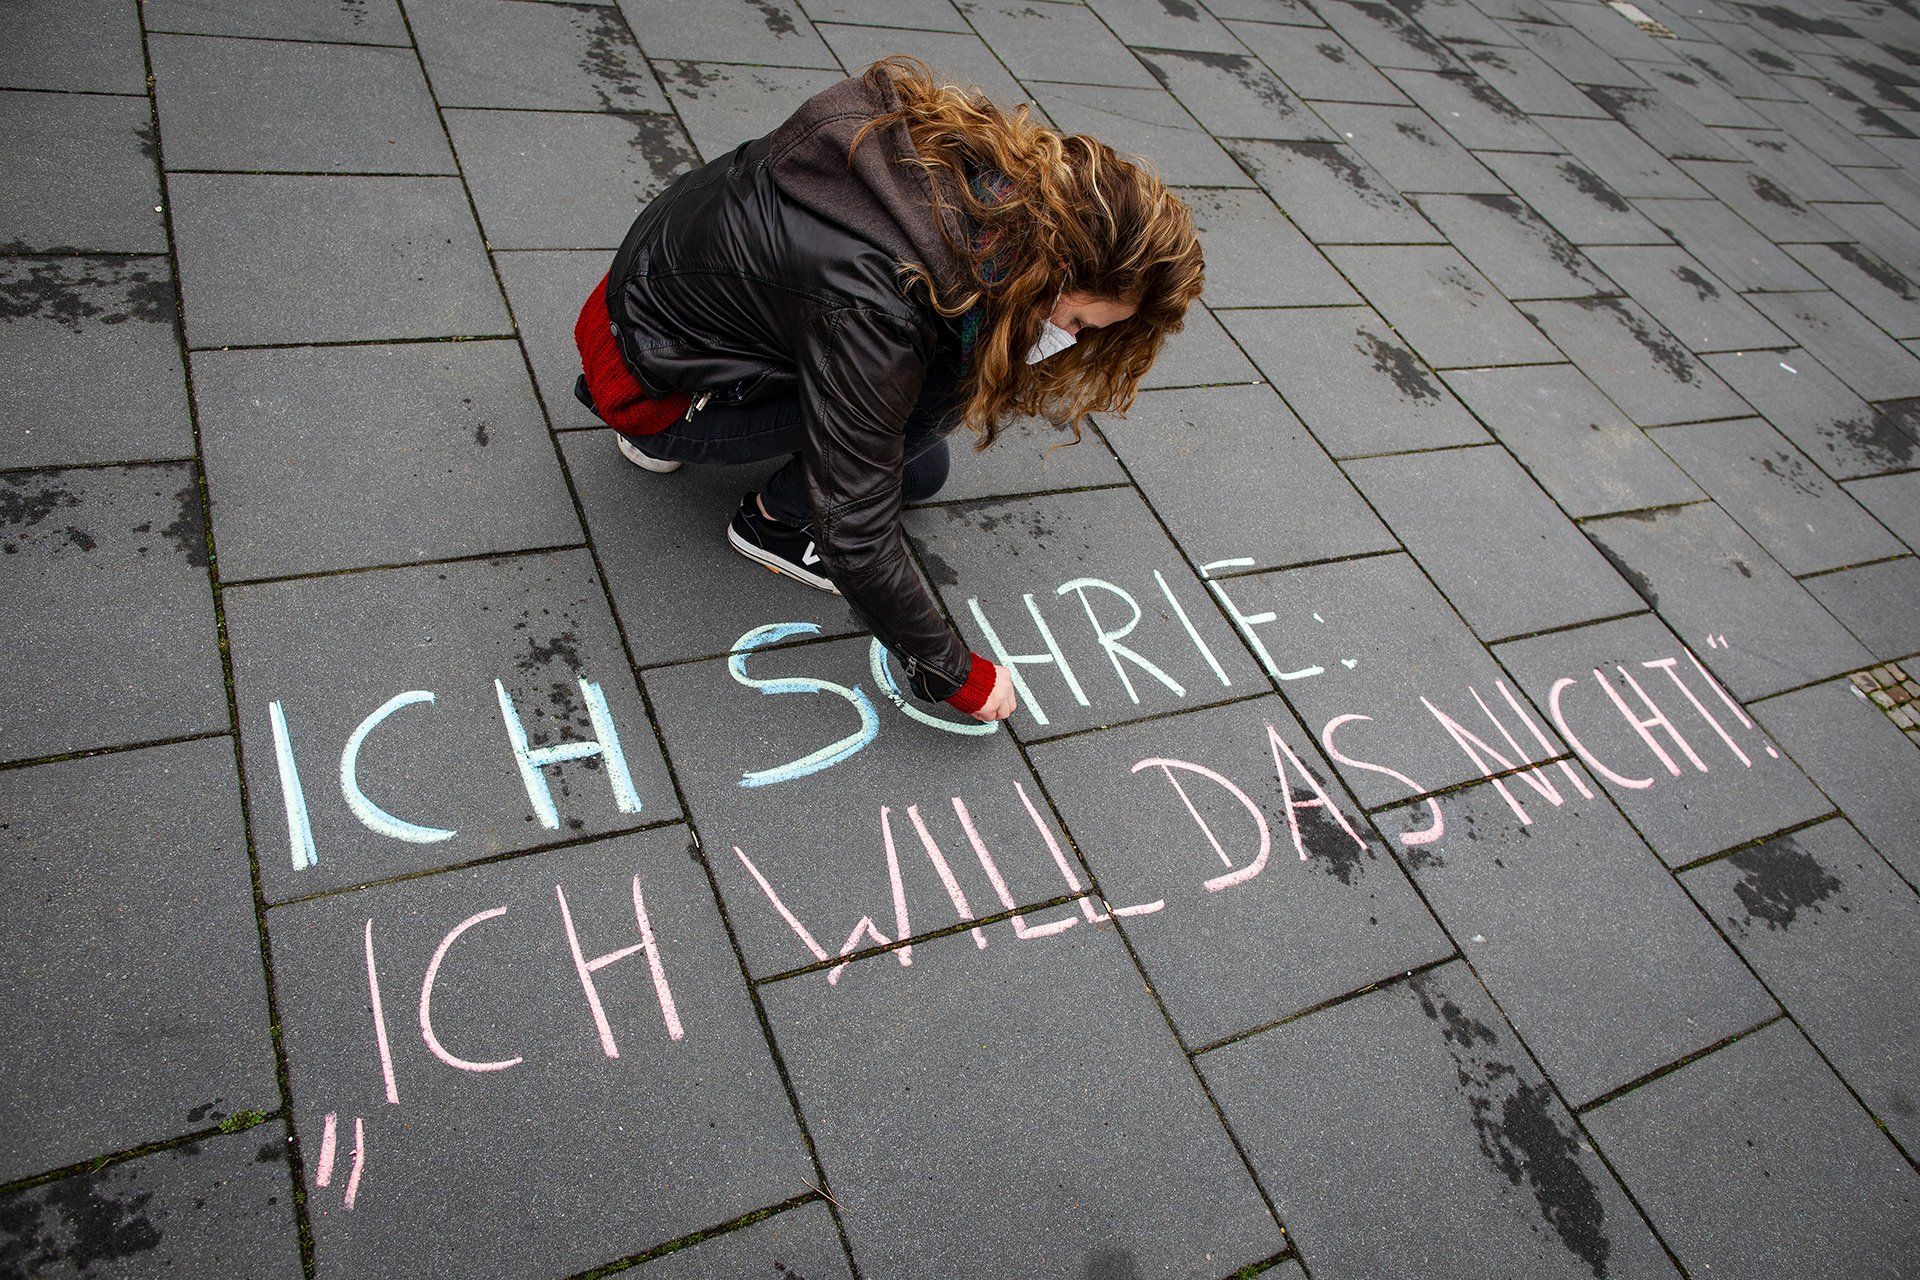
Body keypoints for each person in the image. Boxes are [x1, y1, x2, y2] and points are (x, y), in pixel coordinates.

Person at [574, 56, 1204, 724]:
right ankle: (772, 525)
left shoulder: (962, 171)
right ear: (1052, 272)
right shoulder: (881, 308)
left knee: (920, 468)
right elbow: (856, 524)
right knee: (933, 407)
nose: (1071, 340)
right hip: (649, 384)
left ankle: (686, 426)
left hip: (641, 318)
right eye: (1076, 321)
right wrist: (949, 671)